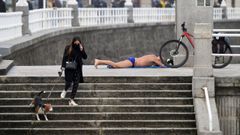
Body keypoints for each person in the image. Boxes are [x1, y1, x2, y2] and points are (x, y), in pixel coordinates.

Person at [60, 36, 87, 106]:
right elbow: (64, 58)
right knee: (69, 82)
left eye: (78, 41)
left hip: (78, 68)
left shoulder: (80, 48)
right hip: (69, 67)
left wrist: (82, 50)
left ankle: (71, 100)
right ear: (73, 41)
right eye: (76, 41)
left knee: (76, 84)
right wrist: (62, 67)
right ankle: (65, 90)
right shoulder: (68, 47)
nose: (77, 42)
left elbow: (85, 57)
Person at [94, 54, 165, 69]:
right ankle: (98, 61)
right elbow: (162, 65)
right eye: (161, 59)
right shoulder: (154, 57)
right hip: (133, 61)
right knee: (115, 65)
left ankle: (100, 62)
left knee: (115, 66)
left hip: (133, 63)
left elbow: (158, 65)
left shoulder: (154, 61)